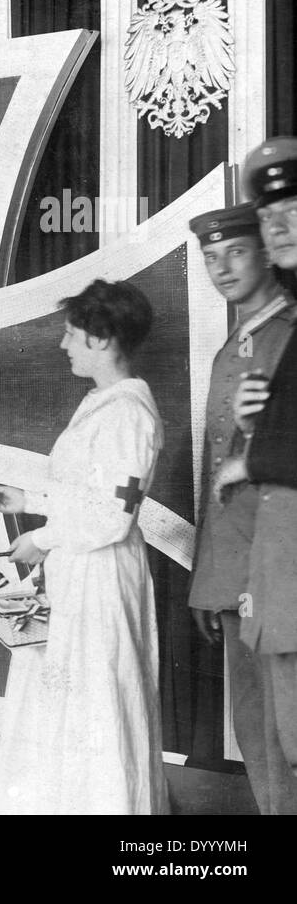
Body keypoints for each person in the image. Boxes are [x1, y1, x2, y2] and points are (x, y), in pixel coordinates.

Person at [0, 278, 165, 814]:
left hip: (102, 577)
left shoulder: (129, 413)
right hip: (79, 570)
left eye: (70, 333)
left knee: (98, 701)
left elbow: (112, 515)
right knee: (62, 696)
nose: (63, 345)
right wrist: (28, 500)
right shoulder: (103, 403)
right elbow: (87, 494)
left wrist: (39, 539)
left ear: (102, 338)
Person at [186, 202, 297, 814]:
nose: (222, 268)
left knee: (287, 732)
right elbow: (217, 473)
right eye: (210, 258)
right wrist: (211, 580)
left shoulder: (288, 336)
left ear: (266, 251)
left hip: (281, 566)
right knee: (257, 730)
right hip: (238, 571)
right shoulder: (237, 343)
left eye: (235, 252)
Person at [215, 136, 297, 788]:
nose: (280, 227)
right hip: (262, 571)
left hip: (281, 568)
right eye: (270, 218)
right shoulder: (244, 343)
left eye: (294, 210)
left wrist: (255, 454)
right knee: (271, 735)